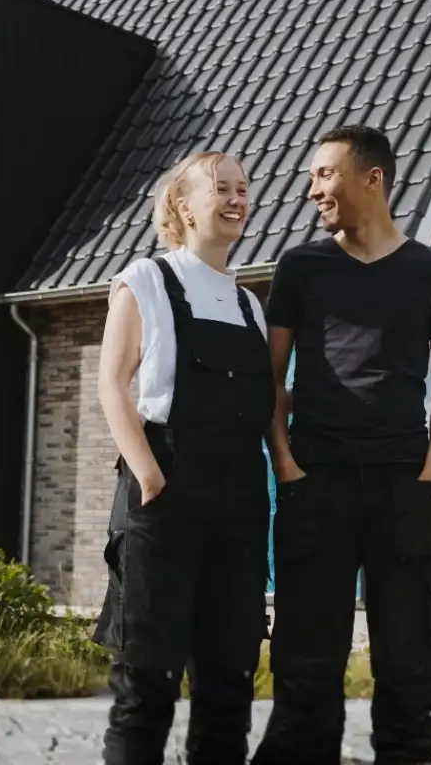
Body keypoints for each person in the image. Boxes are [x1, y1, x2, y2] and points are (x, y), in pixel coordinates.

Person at [252, 124, 431, 765]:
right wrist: (287, 467)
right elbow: (272, 380)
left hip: (406, 489)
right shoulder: (300, 267)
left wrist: (429, 480)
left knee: (411, 673)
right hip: (317, 487)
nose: (312, 187)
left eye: (324, 174)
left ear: (372, 178)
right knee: (306, 674)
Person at [92, 150, 274, 765]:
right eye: (220, 187)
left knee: (229, 682)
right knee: (147, 681)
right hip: (164, 491)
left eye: (242, 189)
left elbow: (269, 406)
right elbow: (112, 384)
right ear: (182, 206)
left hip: (241, 501)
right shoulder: (145, 279)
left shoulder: (251, 305)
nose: (234, 198)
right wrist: (148, 475)